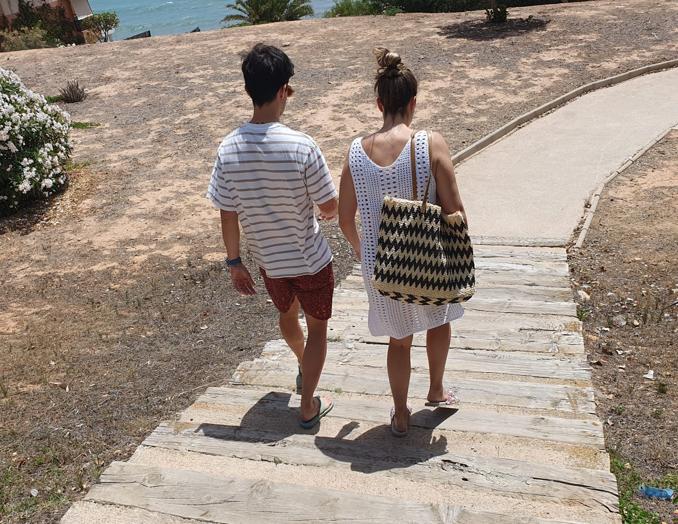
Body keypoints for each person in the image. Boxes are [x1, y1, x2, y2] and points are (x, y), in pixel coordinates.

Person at [207, 43, 337, 429]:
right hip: (310, 259)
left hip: (269, 263)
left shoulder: (229, 148)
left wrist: (234, 263)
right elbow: (328, 204)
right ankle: (309, 403)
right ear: (284, 90)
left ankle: (302, 366)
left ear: (249, 89)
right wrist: (329, 210)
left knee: (286, 314)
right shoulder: (301, 145)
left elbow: (227, 213)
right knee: (317, 330)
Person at [338, 48, 467, 437]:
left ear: (379, 103)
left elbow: (345, 219)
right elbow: (455, 207)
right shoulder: (432, 143)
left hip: (382, 265)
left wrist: (365, 252)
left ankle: (400, 412)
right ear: (413, 102)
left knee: (399, 340)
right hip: (428, 254)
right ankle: (437, 388)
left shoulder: (355, 153)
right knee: (439, 320)